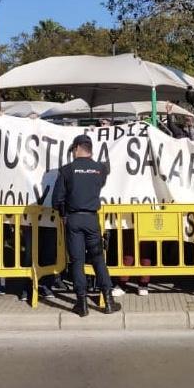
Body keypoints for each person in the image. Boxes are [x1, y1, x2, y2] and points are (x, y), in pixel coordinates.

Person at [52, 134, 120, 317]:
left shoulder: (66, 170)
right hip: (92, 220)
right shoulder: (100, 169)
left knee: (77, 262)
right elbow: (101, 182)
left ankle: (82, 305)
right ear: (90, 149)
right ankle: (109, 302)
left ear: (76, 148)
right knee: (98, 259)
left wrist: (63, 214)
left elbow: (56, 200)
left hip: (73, 220)